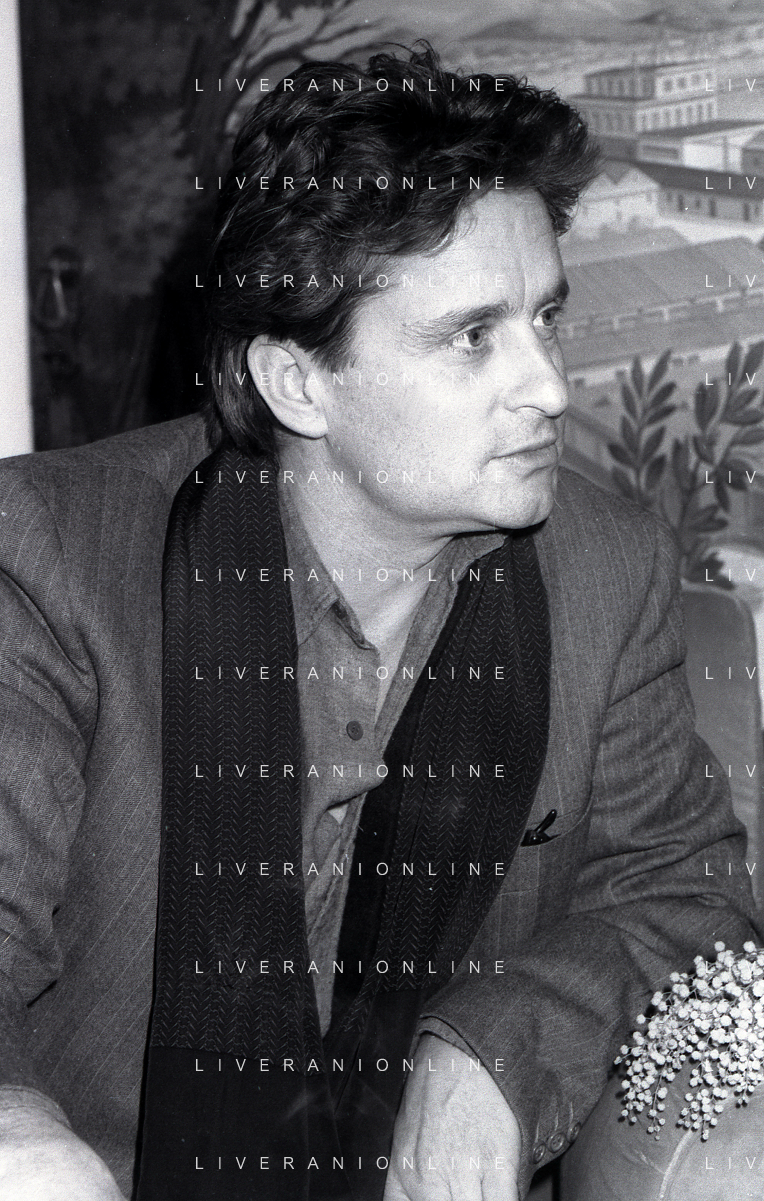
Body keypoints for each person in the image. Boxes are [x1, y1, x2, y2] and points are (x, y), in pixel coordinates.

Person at [0, 44, 759, 1201]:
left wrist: (496, 1044)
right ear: (297, 383)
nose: (549, 386)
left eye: (545, 317)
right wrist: (17, 1137)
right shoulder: (57, 554)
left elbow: (683, 892)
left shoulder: (607, 568)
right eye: (472, 335)